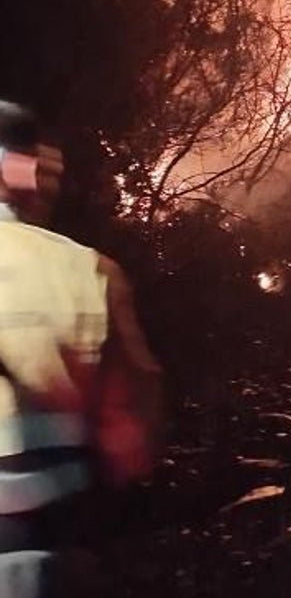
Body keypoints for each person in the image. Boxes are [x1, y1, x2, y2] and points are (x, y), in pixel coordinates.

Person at [0, 101, 163, 596]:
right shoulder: (90, 272)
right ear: (20, 171)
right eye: (45, 168)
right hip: (55, 543)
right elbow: (139, 414)